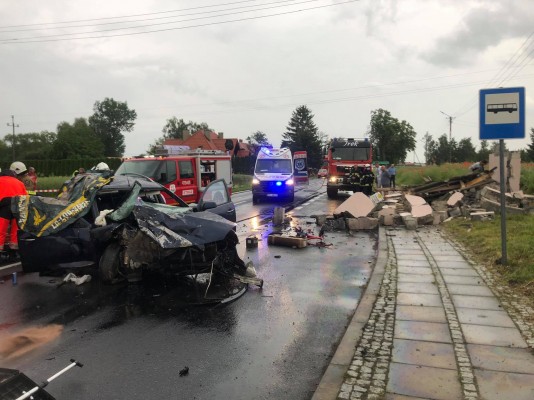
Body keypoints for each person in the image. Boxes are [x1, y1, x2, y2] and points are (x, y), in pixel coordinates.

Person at [0, 168, 28, 251]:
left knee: (1, 229)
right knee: (15, 229)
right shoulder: (20, 183)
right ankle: (14, 248)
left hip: (4, 206)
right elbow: (25, 198)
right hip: (18, 206)